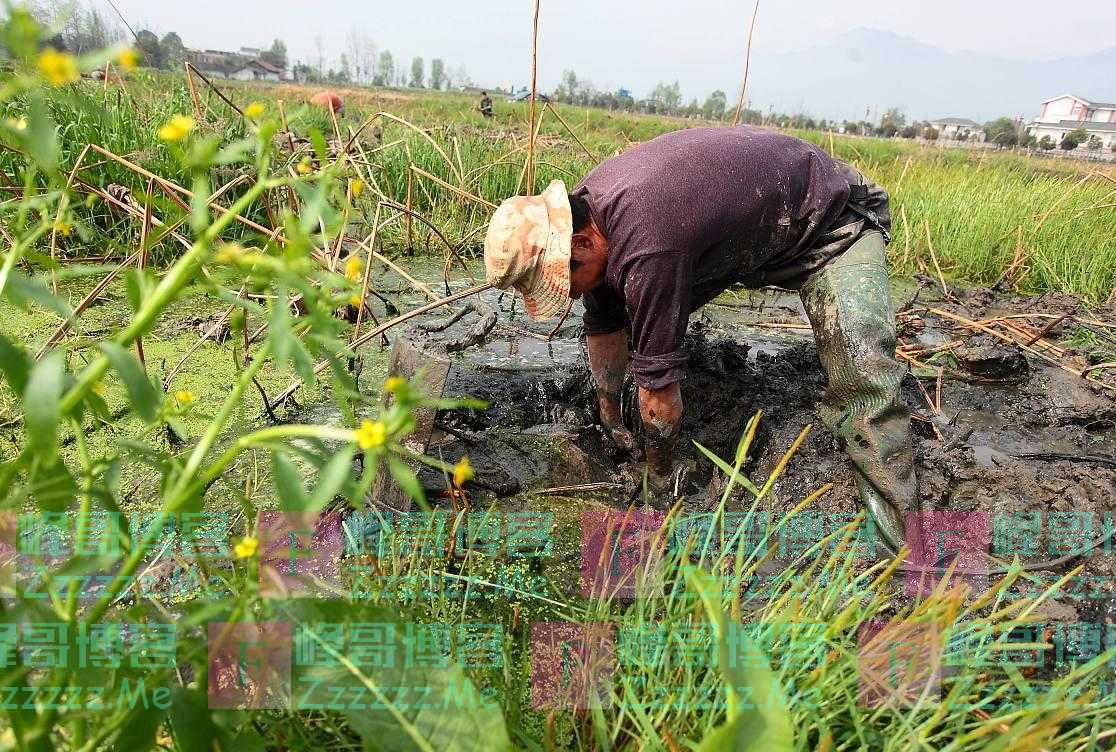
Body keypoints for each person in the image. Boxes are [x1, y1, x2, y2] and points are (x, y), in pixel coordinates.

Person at [482, 126, 916, 550]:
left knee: (866, 382)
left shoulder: (648, 244)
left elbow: (660, 396)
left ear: (581, 242)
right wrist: (610, 412)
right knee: (630, 309)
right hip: (751, 236)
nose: (570, 293)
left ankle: (901, 551)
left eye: (564, 281)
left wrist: (658, 480)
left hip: (832, 221)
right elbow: (604, 323)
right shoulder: (587, 210)